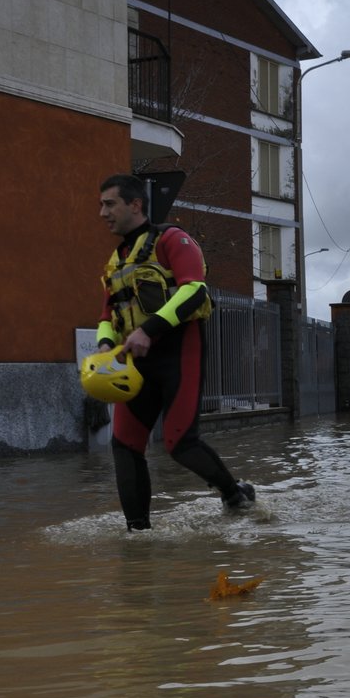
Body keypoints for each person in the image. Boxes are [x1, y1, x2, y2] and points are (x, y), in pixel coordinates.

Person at [94, 173, 253, 530]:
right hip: (135, 362)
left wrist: (149, 330)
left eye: (109, 204)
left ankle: (235, 494)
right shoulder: (116, 260)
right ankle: (137, 535)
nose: (102, 212)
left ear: (135, 205)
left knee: (180, 443)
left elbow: (195, 290)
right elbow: (107, 315)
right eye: (101, 205)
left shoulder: (173, 239)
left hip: (179, 351)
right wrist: (106, 343)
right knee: (124, 445)